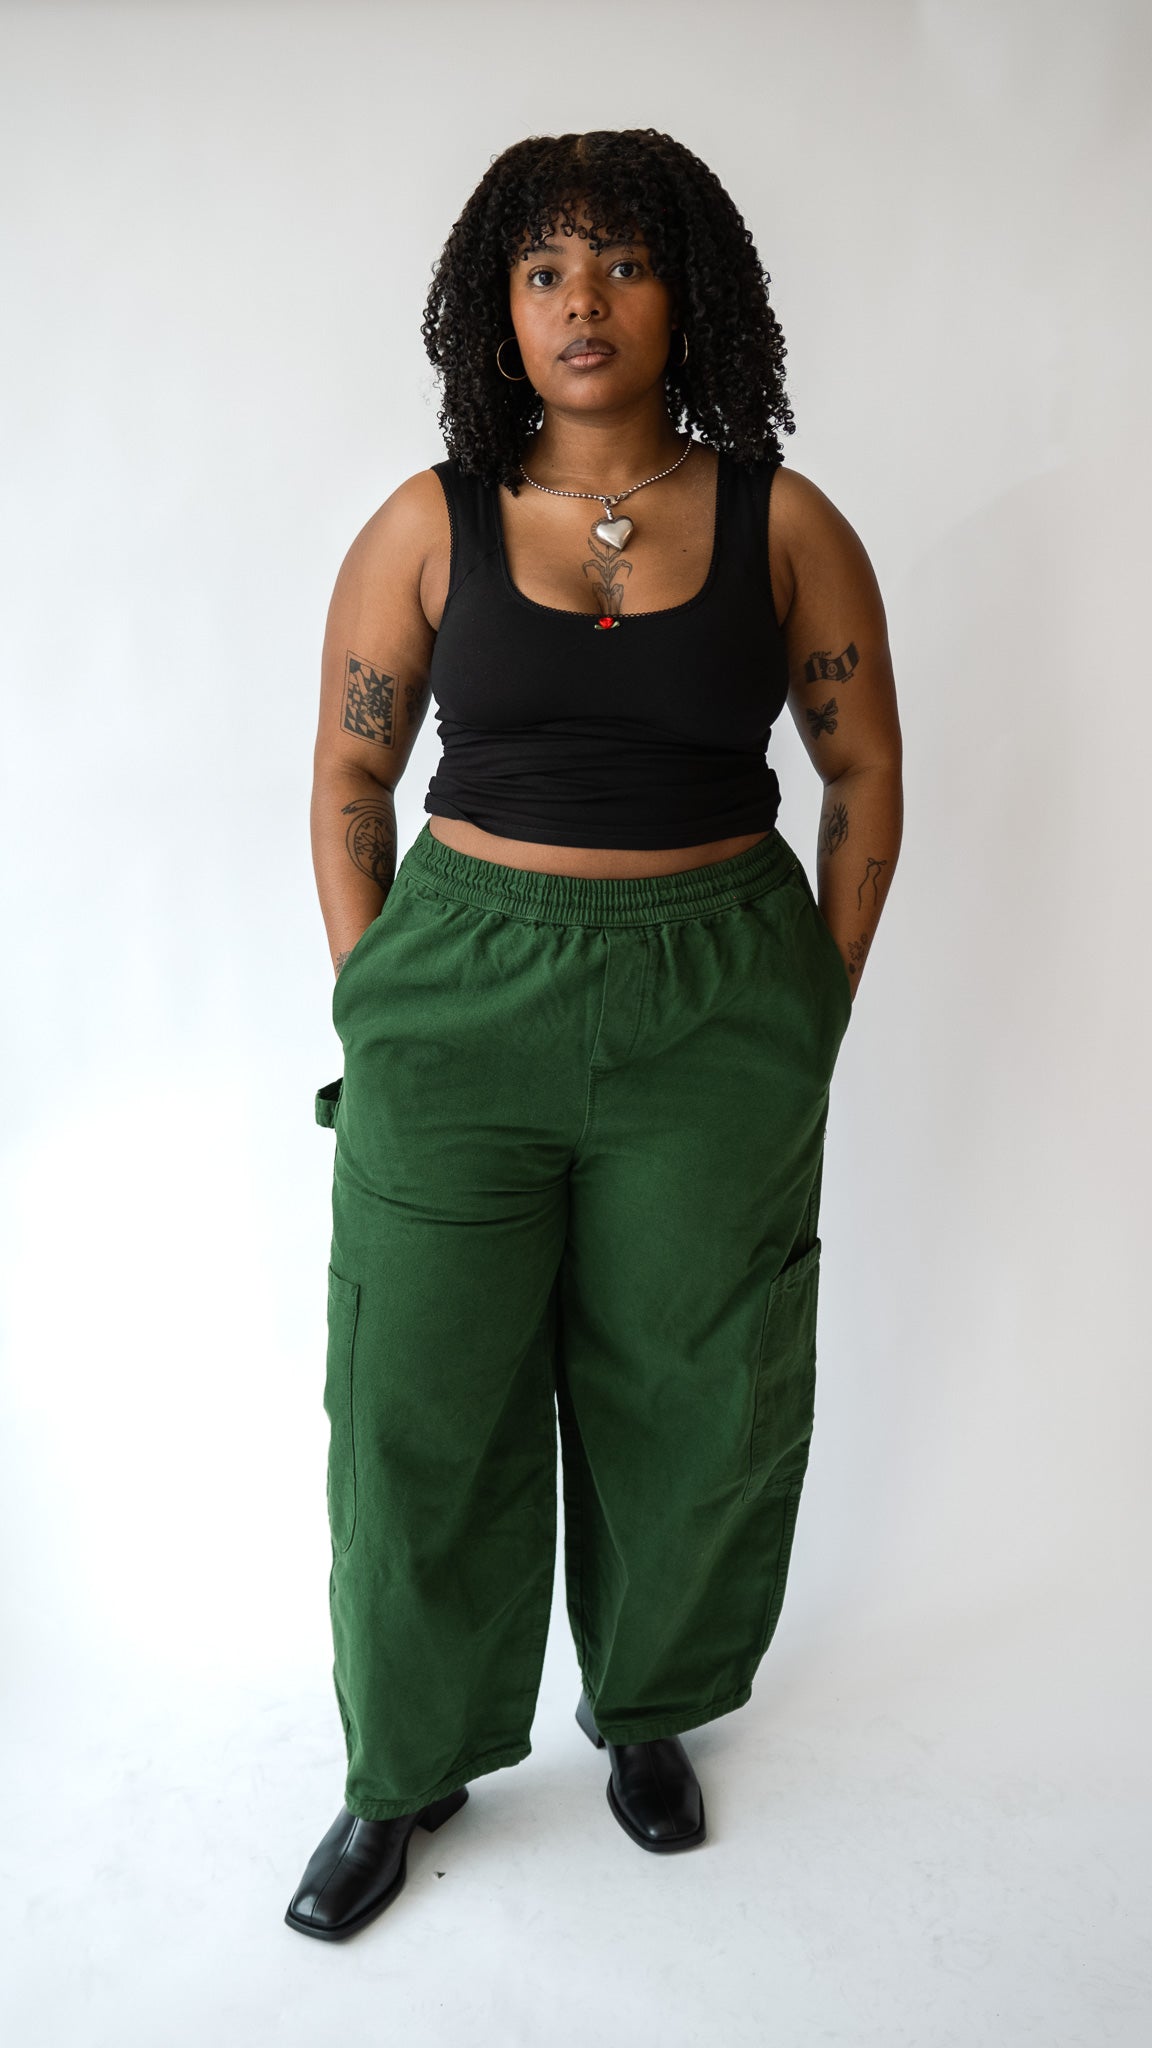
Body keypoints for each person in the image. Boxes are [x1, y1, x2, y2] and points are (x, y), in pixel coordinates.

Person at [285, 127, 903, 1943]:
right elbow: (350, 771)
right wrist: (377, 1000)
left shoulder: (787, 522)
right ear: (498, 306)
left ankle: (645, 1709)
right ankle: (404, 1764)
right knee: (415, 1396)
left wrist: (815, 1003)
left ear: (684, 295)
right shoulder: (431, 522)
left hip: (718, 994)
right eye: (545, 269)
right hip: (462, 993)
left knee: (694, 1384)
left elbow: (864, 771)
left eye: (623, 264)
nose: (583, 302)